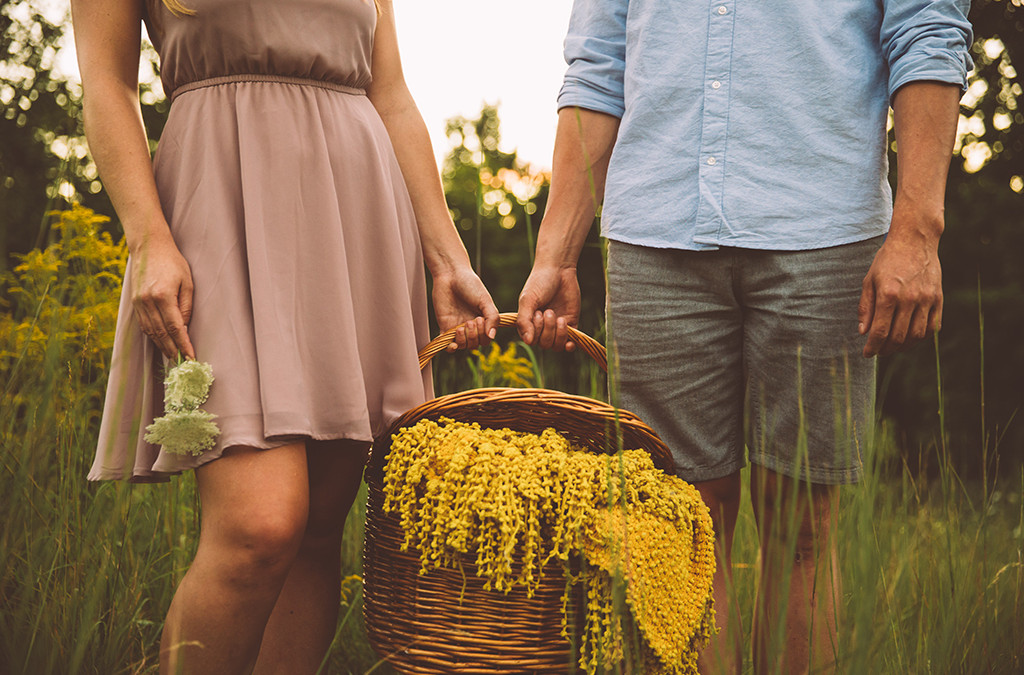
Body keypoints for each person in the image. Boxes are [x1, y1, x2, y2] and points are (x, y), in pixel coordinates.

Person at [517, 0, 972, 672]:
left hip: (824, 228)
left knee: (803, 526)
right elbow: (596, 66)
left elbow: (928, 28)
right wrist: (555, 252)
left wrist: (917, 228)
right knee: (682, 526)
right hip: (655, 229)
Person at [73, 0, 498, 671]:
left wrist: (448, 257)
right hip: (220, 206)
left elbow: (389, 92)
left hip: (354, 211)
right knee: (259, 526)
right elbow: (105, 81)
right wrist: (148, 236)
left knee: (318, 528)